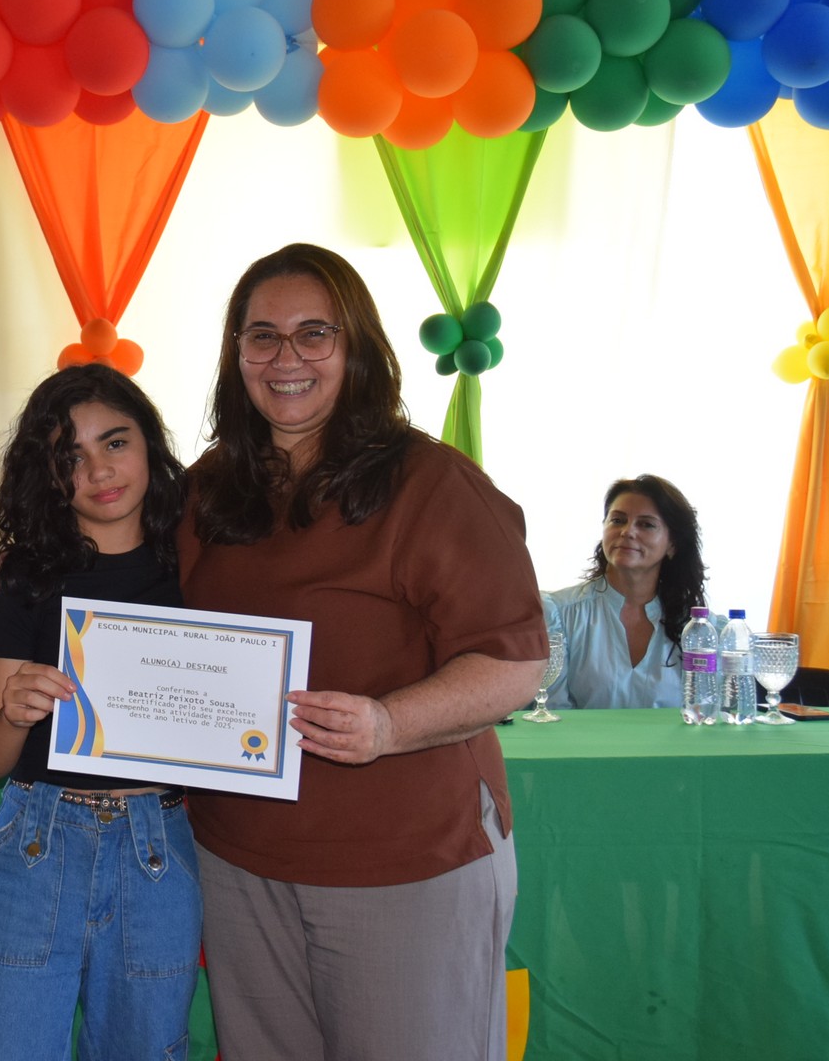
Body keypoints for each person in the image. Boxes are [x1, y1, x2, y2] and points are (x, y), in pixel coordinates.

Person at [177, 245, 547, 1061]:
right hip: (237, 860)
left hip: (403, 863)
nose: (286, 359)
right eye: (261, 336)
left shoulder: (431, 484)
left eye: (315, 334)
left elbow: (515, 663)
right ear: (234, 353)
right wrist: (16, 586)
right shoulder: (209, 487)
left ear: (358, 349)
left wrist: (388, 723)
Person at [0, 364, 199, 1061]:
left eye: (114, 443)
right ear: (48, 476)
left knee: (147, 1047)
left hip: (161, 845)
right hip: (38, 838)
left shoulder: (198, 566)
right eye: (70, 457)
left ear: (149, 443)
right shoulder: (26, 575)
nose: (98, 470)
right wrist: (13, 715)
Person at [543, 475, 707, 710]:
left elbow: (707, 715)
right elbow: (551, 713)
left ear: (672, 544)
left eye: (646, 524)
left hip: (675, 748)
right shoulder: (557, 614)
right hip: (582, 747)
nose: (627, 532)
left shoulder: (699, 628)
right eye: (618, 520)